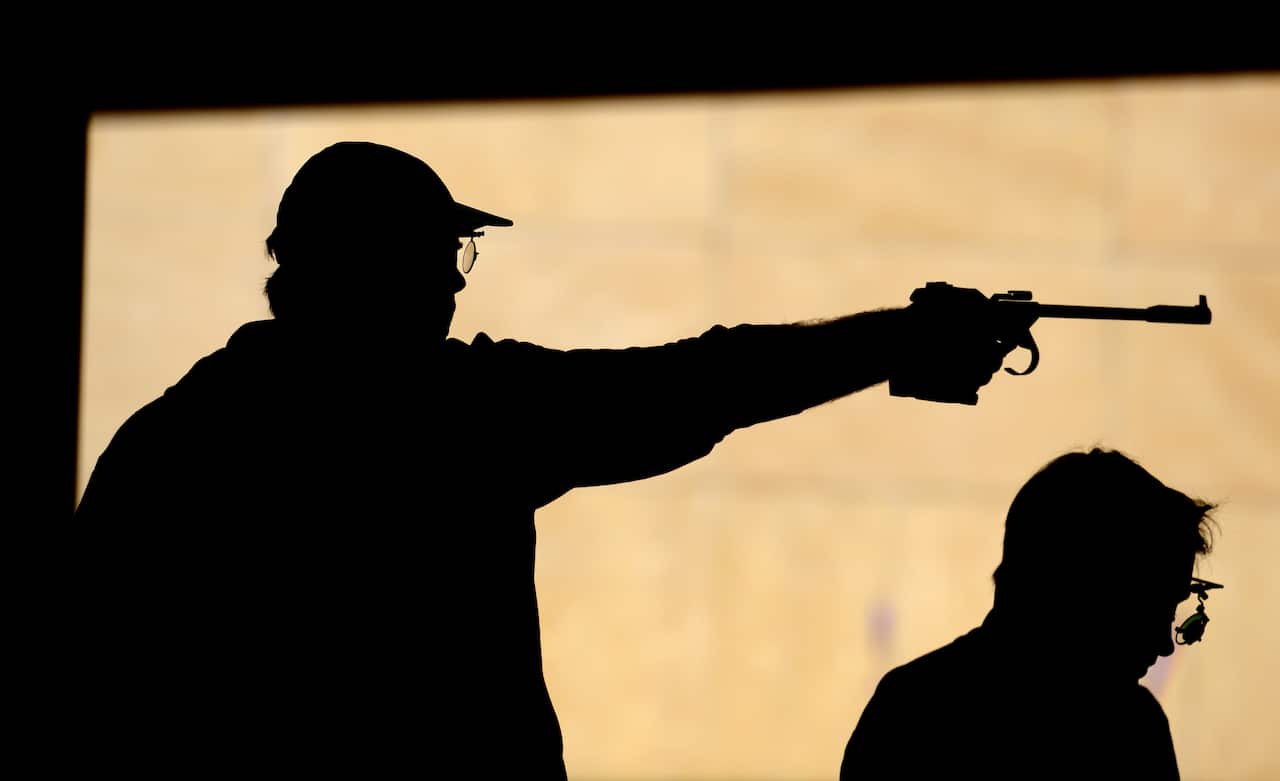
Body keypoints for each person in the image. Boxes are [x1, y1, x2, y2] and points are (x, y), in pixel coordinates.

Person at [75, 141, 1011, 778]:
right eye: (440, 254)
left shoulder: (166, 446)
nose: (452, 280)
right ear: (378, 269)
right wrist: (901, 338)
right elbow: (702, 383)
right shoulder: (456, 415)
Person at [839, 447, 1219, 780]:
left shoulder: (911, 711)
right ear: (1081, 594)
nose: (1163, 644)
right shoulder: (1134, 728)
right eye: (1147, 610)